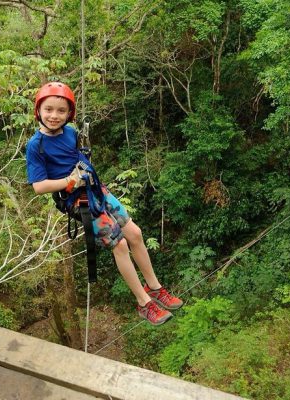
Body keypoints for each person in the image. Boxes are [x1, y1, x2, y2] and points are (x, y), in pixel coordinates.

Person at [25, 82, 183, 326]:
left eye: (60, 111)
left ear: (69, 114)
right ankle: (143, 303)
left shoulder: (71, 133)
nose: (54, 116)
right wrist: (69, 180)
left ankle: (154, 288)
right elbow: (39, 186)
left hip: (96, 189)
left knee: (135, 233)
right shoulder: (36, 145)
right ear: (39, 111)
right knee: (119, 245)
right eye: (48, 110)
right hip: (77, 200)